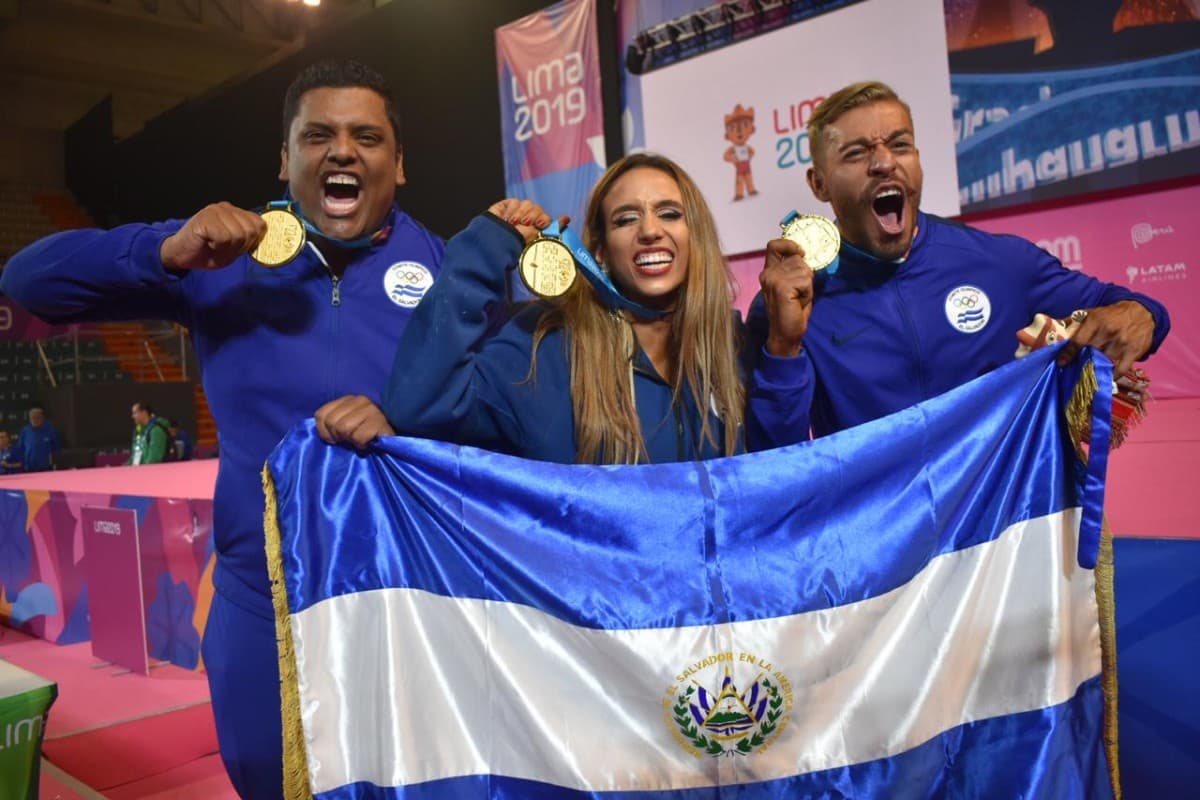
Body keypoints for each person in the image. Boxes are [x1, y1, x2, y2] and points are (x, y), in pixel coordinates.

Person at [0, 59, 444, 797]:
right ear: (284, 158)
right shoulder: (220, 261)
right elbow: (25, 282)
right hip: (258, 598)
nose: (342, 151)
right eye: (318, 135)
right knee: (267, 781)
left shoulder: (442, 267)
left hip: (405, 595)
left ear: (399, 165)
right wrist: (162, 248)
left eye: (367, 137)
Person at [749, 80, 1171, 439]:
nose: (884, 162)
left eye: (900, 145)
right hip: (882, 533)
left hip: (1004, 529)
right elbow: (775, 456)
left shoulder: (999, 262)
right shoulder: (792, 303)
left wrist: (1142, 315)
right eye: (856, 153)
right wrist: (784, 347)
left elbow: (1124, 305)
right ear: (819, 183)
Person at [382, 152, 810, 464]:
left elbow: (779, 475)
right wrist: (485, 249)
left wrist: (785, 348)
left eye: (669, 214)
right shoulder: (543, 349)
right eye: (626, 219)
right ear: (599, 252)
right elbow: (419, 407)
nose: (649, 231)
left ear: (694, 236)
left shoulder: (731, 346)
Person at [15, 407, 60, 472]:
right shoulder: (25, 431)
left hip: (46, 467)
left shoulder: (50, 430)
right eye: (33, 418)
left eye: (37, 417)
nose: (35, 420)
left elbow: (56, 449)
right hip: (29, 467)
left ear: (42, 418)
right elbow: (21, 448)